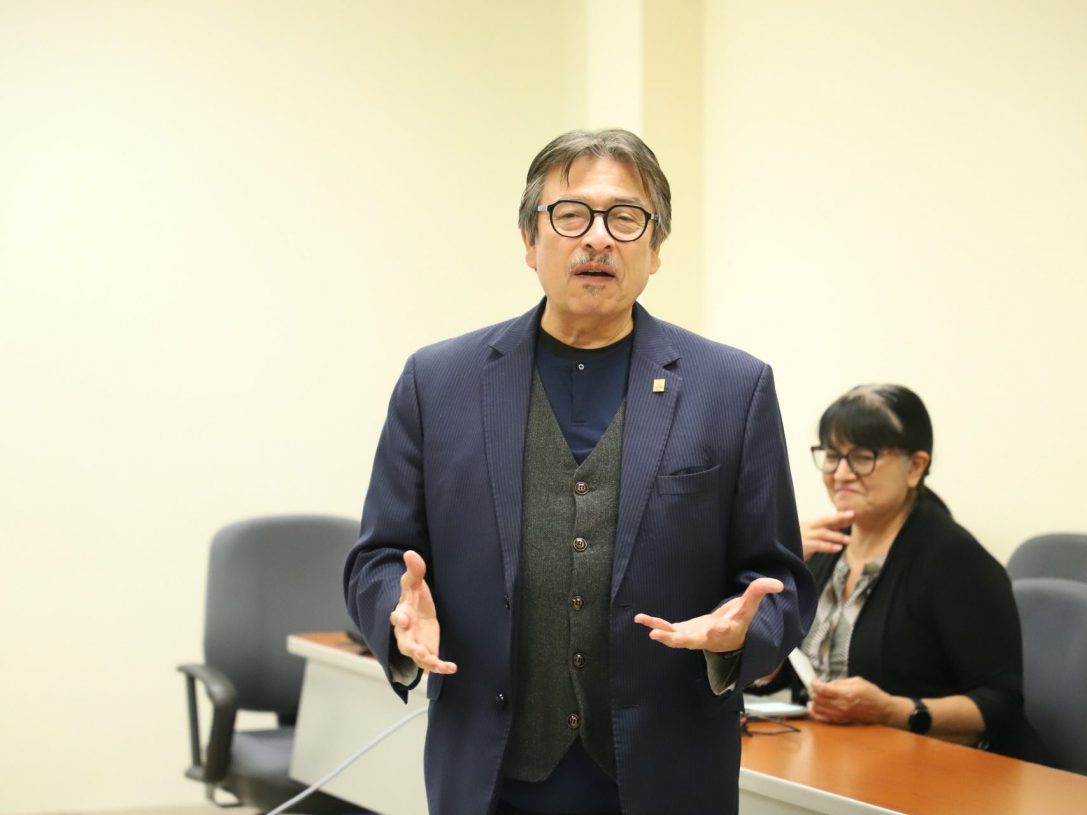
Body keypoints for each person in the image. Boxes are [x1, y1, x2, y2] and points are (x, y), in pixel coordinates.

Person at [343, 128, 816, 815]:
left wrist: (744, 633)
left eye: (626, 218)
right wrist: (395, 611)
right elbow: (378, 556)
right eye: (571, 215)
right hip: (489, 779)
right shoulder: (438, 382)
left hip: (668, 777)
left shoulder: (732, 388)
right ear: (529, 240)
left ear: (656, 248)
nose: (598, 238)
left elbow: (778, 581)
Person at [786, 384, 1048, 762]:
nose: (841, 473)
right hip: (836, 757)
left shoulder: (954, 559)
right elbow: (798, 670)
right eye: (832, 455)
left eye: (862, 457)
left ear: (915, 467)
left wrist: (892, 710)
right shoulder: (824, 544)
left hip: (937, 767)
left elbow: (1000, 704)